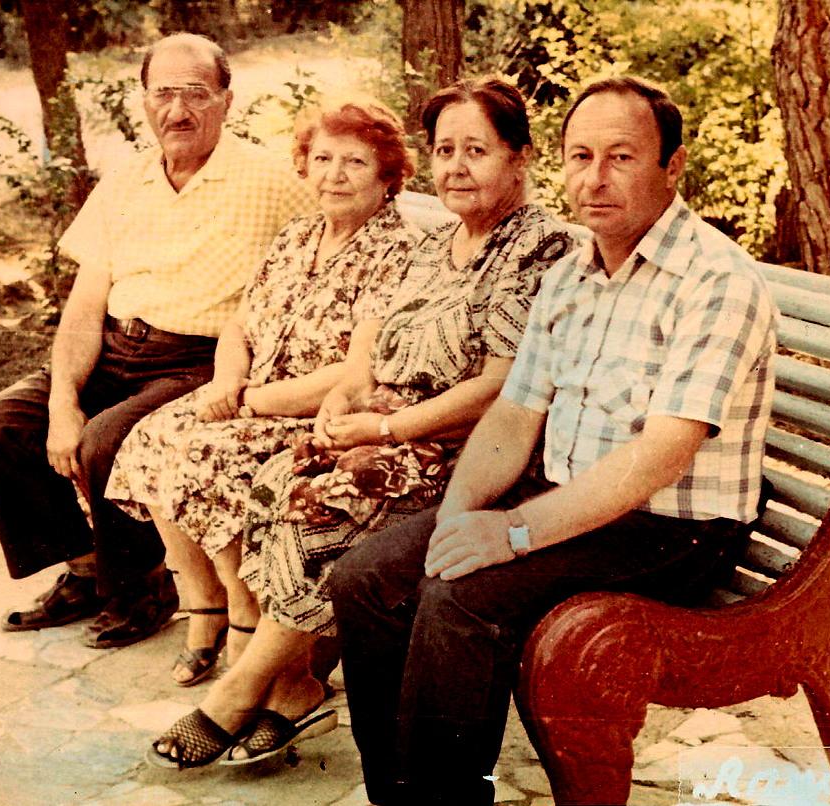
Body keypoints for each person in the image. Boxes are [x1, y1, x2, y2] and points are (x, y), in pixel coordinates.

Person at [328, 76, 779, 805]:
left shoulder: (715, 281)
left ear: (673, 166)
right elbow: (513, 414)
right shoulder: (573, 275)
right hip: (573, 499)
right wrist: (455, 521)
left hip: (671, 527)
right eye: (580, 157)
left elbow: (662, 455)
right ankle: (402, 795)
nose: (594, 179)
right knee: (368, 578)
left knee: (461, 598)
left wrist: (510, 535)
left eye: (621, 157)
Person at [145, 77, 577, 770]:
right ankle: (295, 681)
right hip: (390, 428)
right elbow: (368, 354)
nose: (457, 167)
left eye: (477, 150)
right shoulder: (438, 244)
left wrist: (385, 431)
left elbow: (499, 386)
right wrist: (341, 404)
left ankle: (241, 689)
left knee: (321, 500)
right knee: (276, 477)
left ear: (518, 156)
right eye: (445, 151)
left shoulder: (537, 246)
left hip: (467, 446)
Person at [0, 33, 315, 650]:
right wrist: (63, 401)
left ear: (227, 100)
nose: (177, 111)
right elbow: (85, 306)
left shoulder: (273, 181)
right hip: (116, 348)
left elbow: (332, 247)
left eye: (196, 94)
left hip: (201, 360)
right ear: (145, 100)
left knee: (106, 442)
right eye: (163, 94)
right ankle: (86, 570)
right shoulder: (125, 181)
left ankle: (143, 589)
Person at [103, 95, 418, 689]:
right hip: (250, 397)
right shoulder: (297, 236)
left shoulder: (398, 251)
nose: (334, 175)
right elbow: (239, 326)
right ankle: (207, 606)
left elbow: (359, 372)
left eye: (354, 162)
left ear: (387, 174)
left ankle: (244, 609)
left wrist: (248, 402)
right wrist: (227, 380)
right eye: (322, 159)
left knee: (204, 453)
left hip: (315, 413)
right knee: (150, 436)